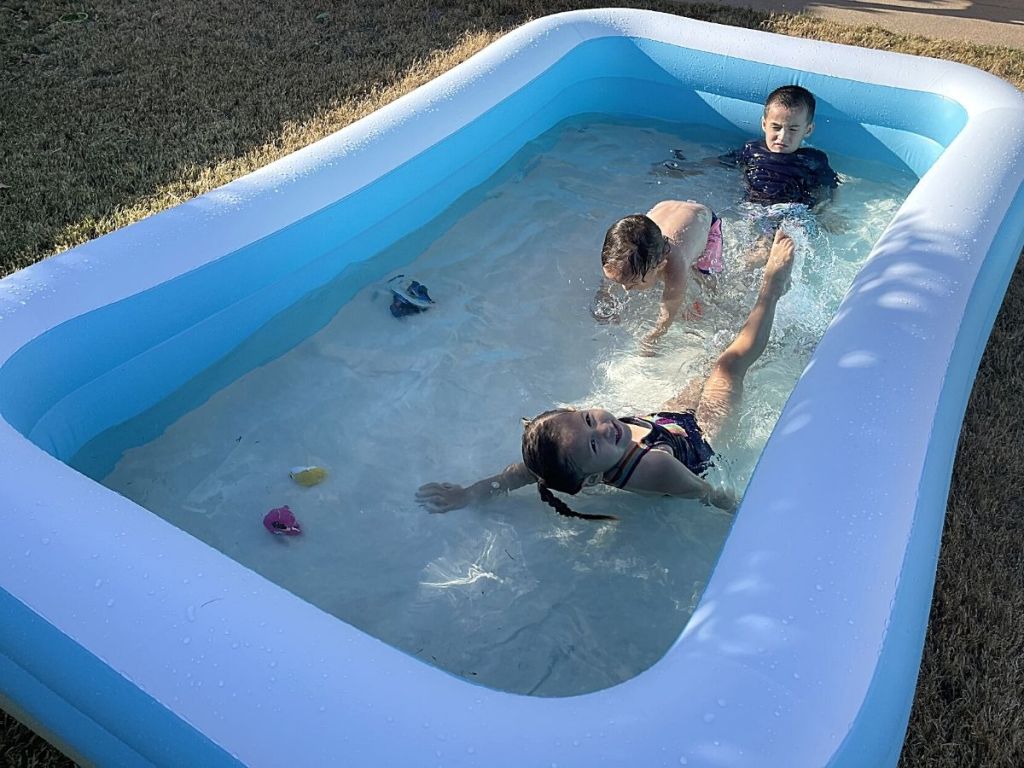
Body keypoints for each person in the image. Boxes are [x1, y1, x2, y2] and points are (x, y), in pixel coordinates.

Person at [417, 230, 795, 520]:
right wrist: (752, 520)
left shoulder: (569, 456)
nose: (603, 428)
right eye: (594, 445)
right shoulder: (655, 467)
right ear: (591, 479)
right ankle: (772, 288)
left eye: (587, 419)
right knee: (730, 365)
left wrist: (470, 493)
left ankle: (765, 334)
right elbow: (709, 493)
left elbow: (523, 473)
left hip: (661, 422)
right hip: (698, 441)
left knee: (705, 368)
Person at [721, 85, 841, 263]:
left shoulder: (813, 160)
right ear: (764, 124)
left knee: (771, 247)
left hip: (794, 212)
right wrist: (687, 169)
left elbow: (832, 186)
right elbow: (721, 163)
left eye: (793, 129)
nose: (782, 136)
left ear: (807, 130)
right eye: (776, 127)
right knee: (741, 246)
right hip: (755, 209)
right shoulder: (751, 150)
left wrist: (829, 211)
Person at [593, 200, 723, 351]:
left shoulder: (676, 266)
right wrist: (605, 294)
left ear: (660, 266)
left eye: (633, 283)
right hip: (662, 212)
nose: (626, 289)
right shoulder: (616, 259)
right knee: (627, 264)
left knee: (707, 281)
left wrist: (653, 337)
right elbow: (615, 272)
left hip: (705, 220)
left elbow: (670, 307)